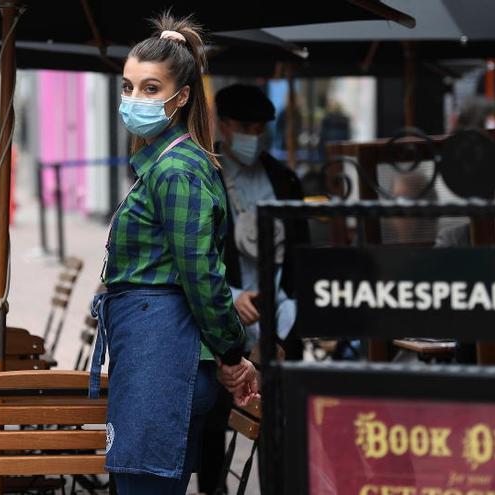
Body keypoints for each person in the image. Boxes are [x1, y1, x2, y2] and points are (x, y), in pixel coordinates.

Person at [89, 13, 258, 494]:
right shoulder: (162, 164)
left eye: (149, 89)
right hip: (152, 352)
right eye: (127, 87)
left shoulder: (177, 170)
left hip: (163, 356)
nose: (133, 100)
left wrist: (232, 353)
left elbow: (202, 275)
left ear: (180, 97)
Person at [199, 84, 311, 494]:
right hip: (222, 324)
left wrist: (287, 322)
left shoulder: (283, 178)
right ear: (222, 125)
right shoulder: (201, 175)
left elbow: (301, 256)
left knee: (279, 428)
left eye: (260, 127)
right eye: (245, 125)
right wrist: (229, 297)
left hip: (279, 324)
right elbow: (192, 256)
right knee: (214, 425)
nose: (254, 135)